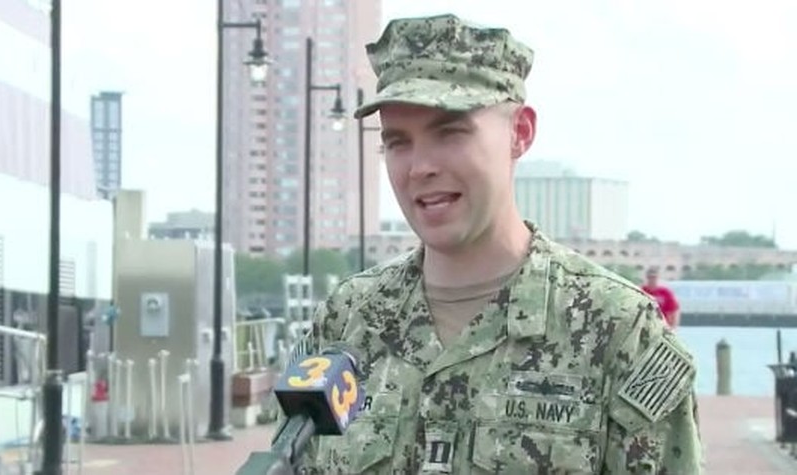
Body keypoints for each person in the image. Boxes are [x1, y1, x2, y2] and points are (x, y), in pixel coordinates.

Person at [290, 13, 702, 474]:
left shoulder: (617, 330)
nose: (419, 167)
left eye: (450, 133)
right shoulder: (348, 321)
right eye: (397, 141)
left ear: (520, 132)